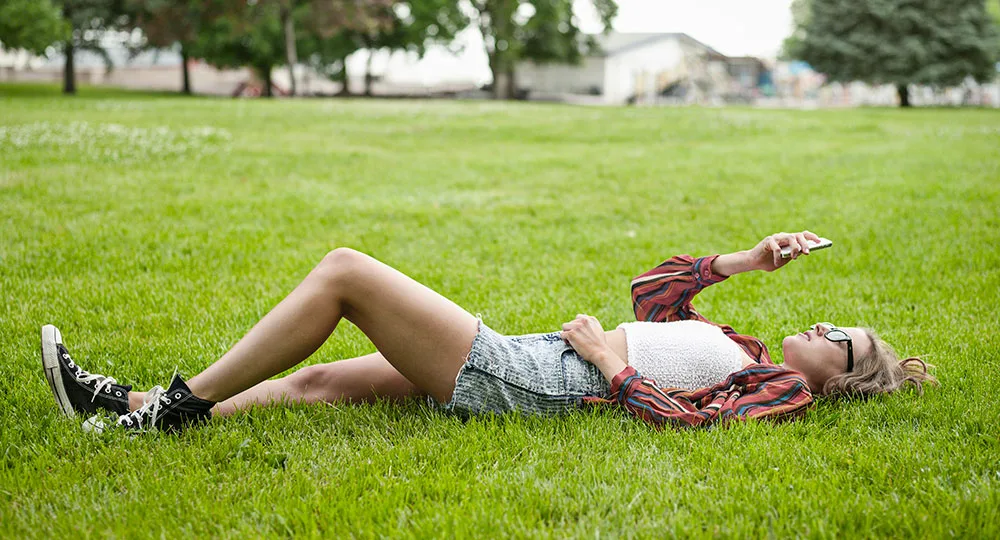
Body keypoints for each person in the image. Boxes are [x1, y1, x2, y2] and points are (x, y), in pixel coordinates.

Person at [40, 231, 936, 433]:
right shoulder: (741, 348)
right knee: (318, 383)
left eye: (842, 339)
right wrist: (747, 261)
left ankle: (178, 408)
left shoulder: (778, 391)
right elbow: (651, 289)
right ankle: (127, 404)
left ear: (841, 379)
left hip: (543, 376)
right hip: (539, 361)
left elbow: (687, 421)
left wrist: (603, 360)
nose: (823, 326)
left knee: (347, 273)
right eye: (832, 319)